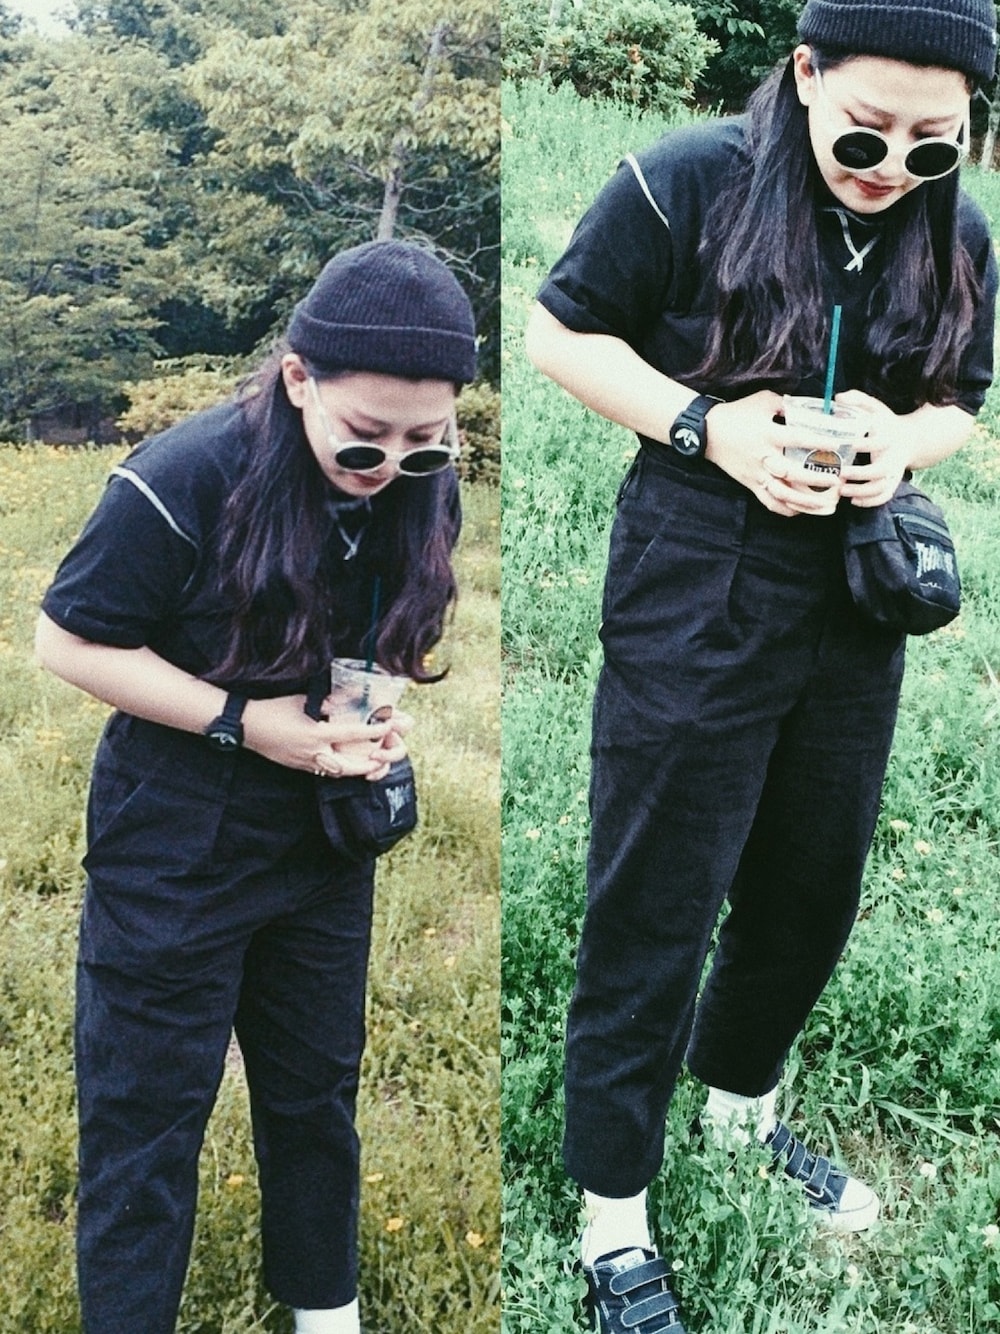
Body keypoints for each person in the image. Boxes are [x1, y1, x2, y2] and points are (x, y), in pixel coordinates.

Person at [525, 1, 998, 1329]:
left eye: (933, 143)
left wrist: (898, 443)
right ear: (802, 73)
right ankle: (612, 1210)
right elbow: (559, 332)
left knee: (810, 881)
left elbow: (961, 400)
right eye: (866, 130)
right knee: (658, 894)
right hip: (694, 567)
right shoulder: (686, 180)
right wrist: (707, 427)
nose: (892, 167)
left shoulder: (956, 229)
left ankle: (740, 1110)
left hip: (854, 588)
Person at [35, 239, 477, 1334]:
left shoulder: (424, 482)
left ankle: (325, 1310)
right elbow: (68, 641)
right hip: (174, 836)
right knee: (145, 1114)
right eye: (365, 436)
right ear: (296, 379)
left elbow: (384, 622)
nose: (392, 464)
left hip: (321, 838)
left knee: (315, 1092)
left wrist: (362, 716)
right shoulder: (184, 475)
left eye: (426, 439)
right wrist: (246, 722)